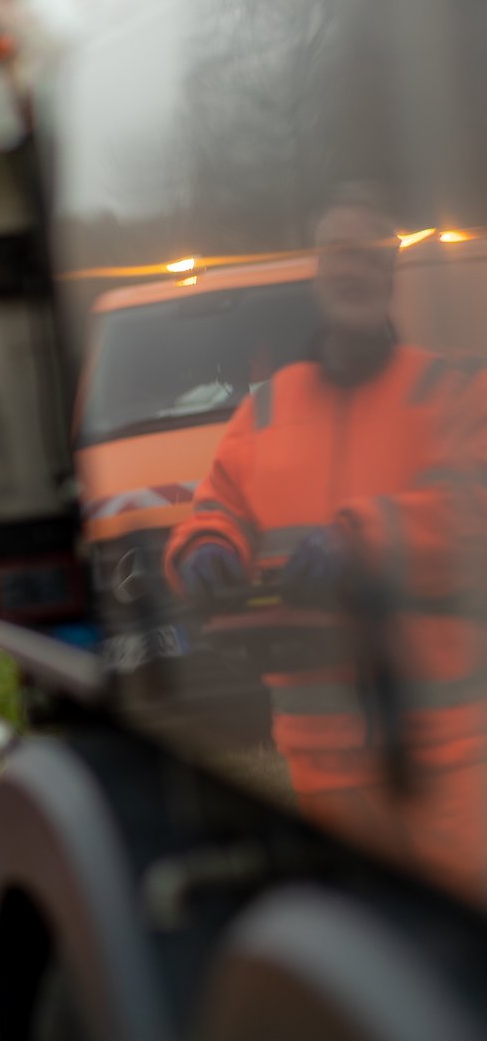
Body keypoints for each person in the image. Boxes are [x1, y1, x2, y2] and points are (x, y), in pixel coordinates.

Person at [164, 193, 487, 896]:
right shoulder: (271, 406)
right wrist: (205, 549)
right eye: (339, 254)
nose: (354, 271)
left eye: (371, 257)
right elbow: (215, 508)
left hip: (449, 758)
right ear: (318, 274)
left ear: (391, 275)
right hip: (323, 761)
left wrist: (364, 535)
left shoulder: (452, 391)